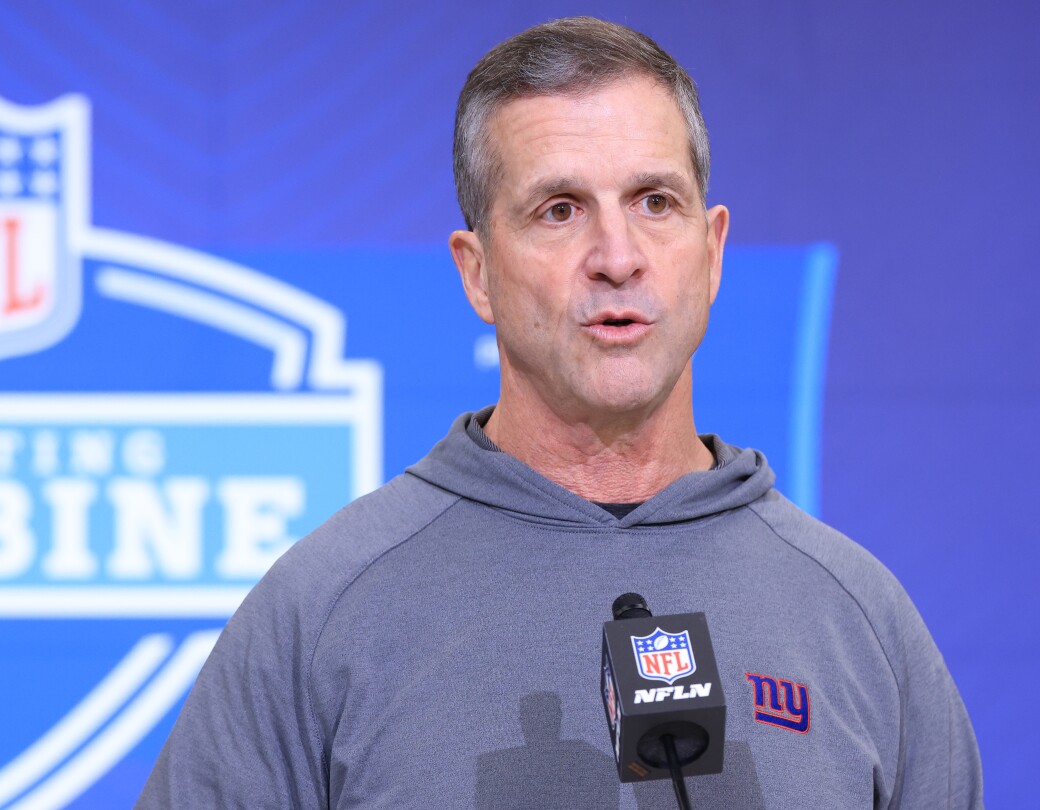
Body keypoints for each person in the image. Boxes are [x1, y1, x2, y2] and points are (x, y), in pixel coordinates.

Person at [136, 17, 982, 809]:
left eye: (655, 202)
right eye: (560, 210)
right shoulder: (322, 612)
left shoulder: (859, 616)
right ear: (477, 274)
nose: (617, 257)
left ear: (713, 250)